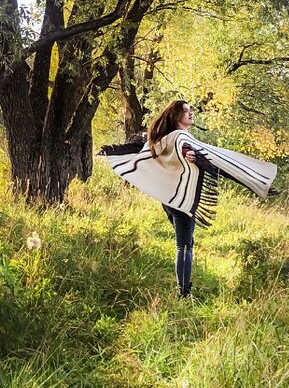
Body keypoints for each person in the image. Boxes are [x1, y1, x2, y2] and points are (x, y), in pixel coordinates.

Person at [98, 99, 278, 298]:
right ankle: (184, 293)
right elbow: (183, 147)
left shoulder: (165, 137)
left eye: (190, 110)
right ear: (176, 116)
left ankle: (183, 289)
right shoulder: (179, 136)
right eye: (186, 111)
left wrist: (189, 154)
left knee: (185, 243)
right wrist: (189, 154)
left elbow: (174, 150)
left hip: (169, 198)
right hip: (181, 200)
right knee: (184, 246)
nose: (191, 113)